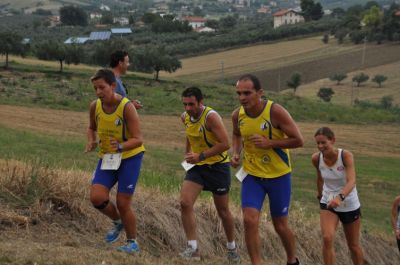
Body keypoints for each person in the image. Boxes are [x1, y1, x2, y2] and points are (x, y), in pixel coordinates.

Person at [231, 74, 303, 265]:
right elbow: (237, 134)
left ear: (260, 93)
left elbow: (298, 140)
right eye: (239, 93)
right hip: (252, 175)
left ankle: (292, 260)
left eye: (247, 93)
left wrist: (270, 143)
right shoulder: (237, 115)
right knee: (249, 220)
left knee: (280, 225)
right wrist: (236, 152)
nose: (242, 98)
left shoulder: (275, 112)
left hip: (278, 176)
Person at [85, 69, 145, 253]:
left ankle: (132, 242)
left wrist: (119, 146)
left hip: (130, 157)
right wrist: (91, 140)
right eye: (95, 88)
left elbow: (138, 139)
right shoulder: (94, 106)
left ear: (112, 86)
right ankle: (118, 222)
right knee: (96, 197)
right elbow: (91, 127)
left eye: (102, 88)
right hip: (107, 158)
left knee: (123, 203)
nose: (98, 92)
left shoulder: (127, 107)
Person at [179, 86, 240, 263]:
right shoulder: (185, 117)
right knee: (185, 202)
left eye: (191, 104)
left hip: (218, 167)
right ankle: (192, 249)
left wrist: (201, 156)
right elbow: (190, 135)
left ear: (201, 102)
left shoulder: (211, 117)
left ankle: (231, 248)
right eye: (185, 104)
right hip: (198, 168)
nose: (188, 108)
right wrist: (188, 154)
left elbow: (225, 144)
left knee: (223, 210)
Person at [312, 127, 364, 265]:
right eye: (317, 143)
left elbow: (351, 181)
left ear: (333, 140)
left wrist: (339, 198)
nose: (320, 146)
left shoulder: (345, 156)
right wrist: (320, 196)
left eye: (323, 143)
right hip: (328, 201)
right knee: (327, 238)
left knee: (353, 245)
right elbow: (319, 178)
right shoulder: (316, 158)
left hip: (348, 202)